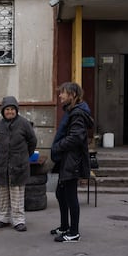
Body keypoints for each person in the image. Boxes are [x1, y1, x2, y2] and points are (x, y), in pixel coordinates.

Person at [50, 82, 94, 242]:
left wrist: (57, 146)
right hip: (67, 159)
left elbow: (75, 137)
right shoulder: (72, 111)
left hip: (72, 160)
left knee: (70, 196)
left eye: (63, 93)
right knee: (61, 194)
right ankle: (64, 226)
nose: (60, 95)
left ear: (72, 95)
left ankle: (74, 232)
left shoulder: (77, 114)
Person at [0, 96, 37, 232]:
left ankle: (18, 221)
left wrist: (24, 156)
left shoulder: (24, 123)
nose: (10, 112)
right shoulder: (0, 124)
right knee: (3, 193)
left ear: (16, 110)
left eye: (12, 109)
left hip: (18, 164)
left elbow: (32, 141)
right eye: (7, 109)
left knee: (16, 193)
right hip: (3, 164)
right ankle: (4, 218)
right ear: (3, 111)